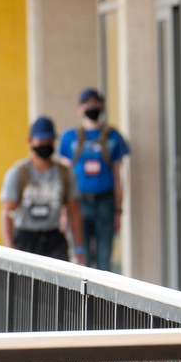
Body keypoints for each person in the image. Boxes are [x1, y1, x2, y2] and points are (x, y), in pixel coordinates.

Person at [58, 88, 130, 271]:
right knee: (82, 258)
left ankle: (102, 300)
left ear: (103, 106)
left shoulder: (113, 137)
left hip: (106, 203)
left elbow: (118, 175)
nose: (92, 107)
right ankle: (84, 299)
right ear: (79, 109)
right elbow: (64, 177)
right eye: (87, 104)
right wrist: (64, 211)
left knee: (104, 259)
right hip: (79, 203)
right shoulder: (70, 138)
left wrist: (118, 210)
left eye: (96, 103)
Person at [0, 116, 86, 265]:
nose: (46, 145)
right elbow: (7, 213)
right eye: (41, 141)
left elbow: (74, 211)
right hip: (26, 238)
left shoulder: (64, 174)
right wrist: (10, 249)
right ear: (30, 141)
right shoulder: (18, 174)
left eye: (49, 140)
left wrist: (78, 247)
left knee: (58, 286)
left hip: (54, 239)